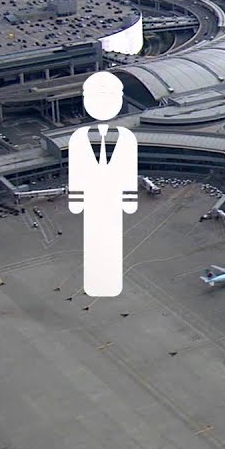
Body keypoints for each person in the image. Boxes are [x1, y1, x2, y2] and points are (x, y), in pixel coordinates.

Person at [68, 72, 137, 297]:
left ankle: (109, 280)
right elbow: (77, 172)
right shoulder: (79, 137)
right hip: (94, 199)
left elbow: (128, 171)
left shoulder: (126, 137)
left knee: (112, 240)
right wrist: (77, 201)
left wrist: (128, 200)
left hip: (112, 198)